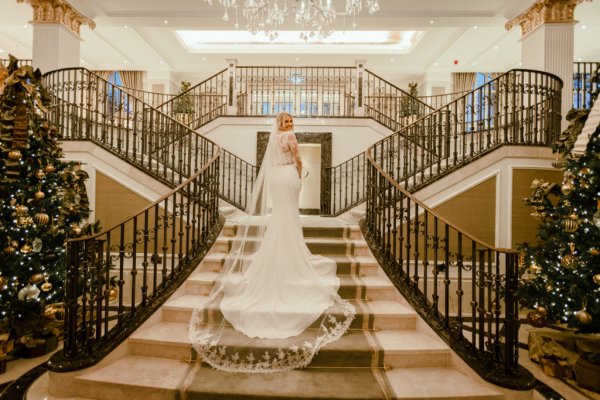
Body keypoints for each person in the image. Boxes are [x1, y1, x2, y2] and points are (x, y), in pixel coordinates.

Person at [189, 112, 355, 373]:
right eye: (287, 122)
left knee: (281, 213)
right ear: (283, 124)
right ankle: (290, 250)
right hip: (288, 175)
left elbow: (271, 163)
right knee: (289, 214)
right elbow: (298, 158)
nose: (289, 125)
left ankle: (279, 248)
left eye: (290, 122)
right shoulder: (290, 137)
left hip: (276, 178)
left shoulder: (273, 138)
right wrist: (299, 173)